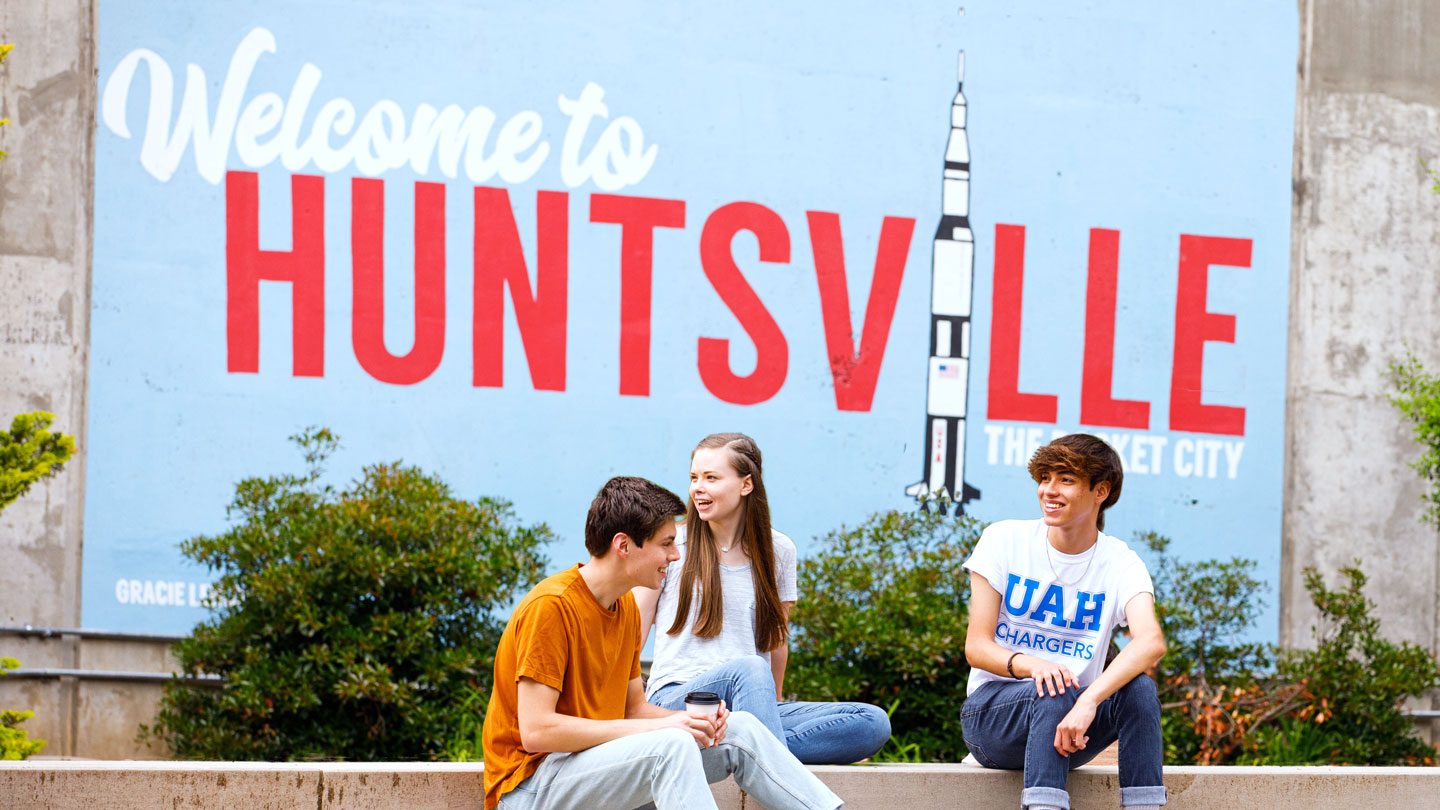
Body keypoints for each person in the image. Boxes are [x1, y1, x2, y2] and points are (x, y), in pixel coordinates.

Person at [482, 475, 843, 810]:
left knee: (742, 727)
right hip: (530, 787)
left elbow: (635, 710)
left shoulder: (622, 606)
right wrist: (666, 728)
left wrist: (690, 721)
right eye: (666, 544)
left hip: (592, 765)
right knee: (669, 745)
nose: (674, 555)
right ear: (623, 545)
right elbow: (537, 731)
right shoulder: (552, 607)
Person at [635, 433, 890, 764]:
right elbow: (632, 633)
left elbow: (776, 640)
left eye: (711, 477)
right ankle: (771, 761)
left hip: (748, 705)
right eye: (694, 477)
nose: (698, 488)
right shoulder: (670, 544)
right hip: (678, 700)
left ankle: (747, 747)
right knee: (750, 668)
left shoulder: (778, 551)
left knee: (871, 722)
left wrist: (771, 706)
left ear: (746, 485)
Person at [961, 434, 1167, 810]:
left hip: (1071, 725)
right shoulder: (1004, 540)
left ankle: (1144, 807)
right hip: (991, 718)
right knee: (1053, 685)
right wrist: (1034, 666)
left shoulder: (1120, 562)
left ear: (1100, 491)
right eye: (1044, 478)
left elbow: (1150, 640)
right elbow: (976, 647)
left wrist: (1088, 700)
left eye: (1066, 480)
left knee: (1139, 690)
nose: (1049, 491)